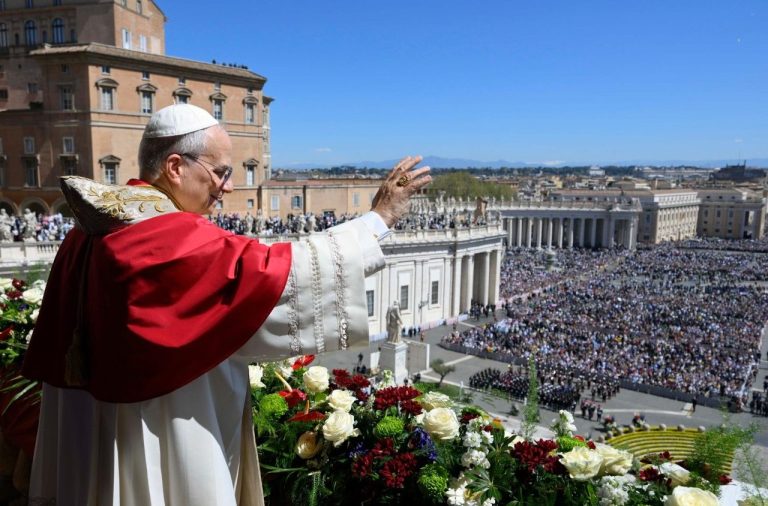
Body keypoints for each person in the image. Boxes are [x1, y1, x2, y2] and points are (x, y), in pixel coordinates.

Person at [22, 104, 431, 505]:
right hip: (160, 424)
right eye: (220, 172)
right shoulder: (167, 236)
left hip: (93, 425)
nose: (230, 186)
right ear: (176, 167)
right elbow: (272, 275)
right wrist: (378, 219)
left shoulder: (91, 226)